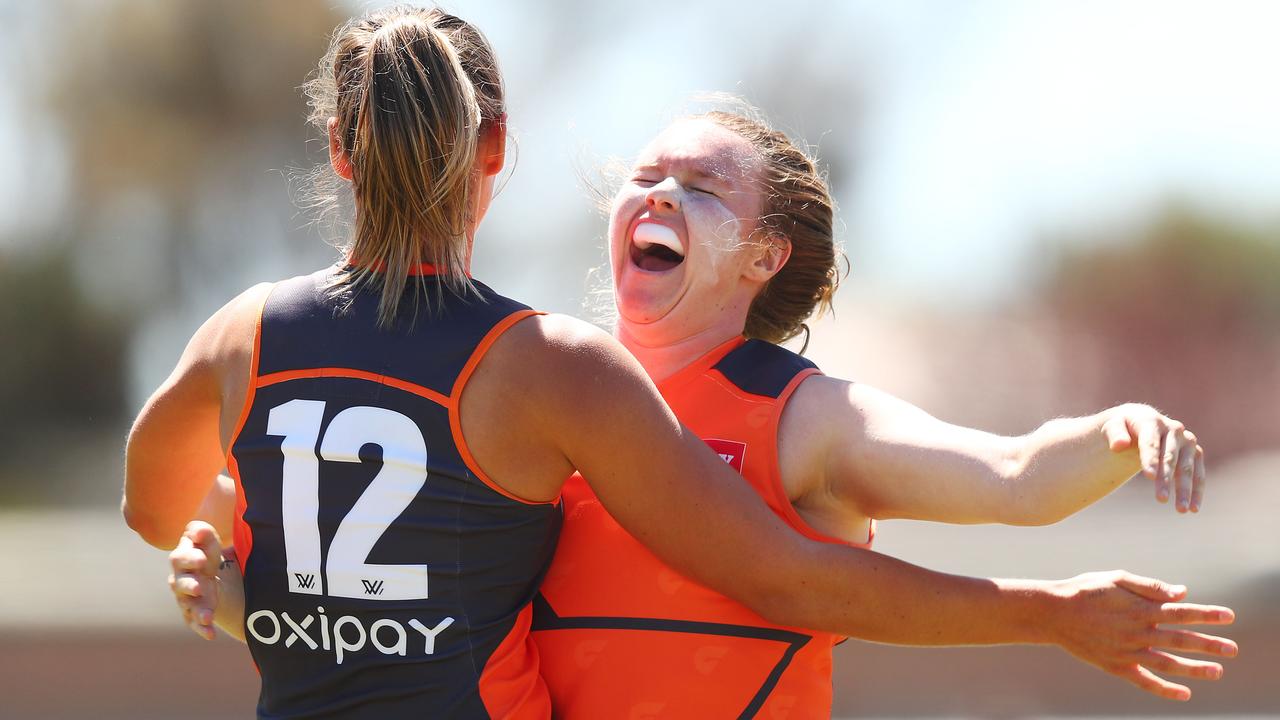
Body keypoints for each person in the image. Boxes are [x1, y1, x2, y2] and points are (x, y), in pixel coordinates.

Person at [148, 5, 1234, 718]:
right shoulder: (540, 399)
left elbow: (1009, 477)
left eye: (701, 187)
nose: (658, 193)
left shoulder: (796, 415)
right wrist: (251, 587)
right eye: (646, 173)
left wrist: (1114, 431)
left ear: (764, 256)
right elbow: (405, 609)